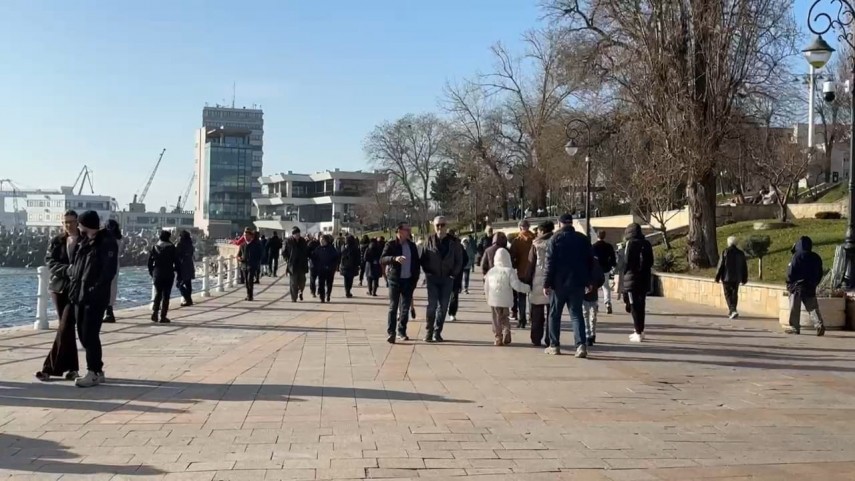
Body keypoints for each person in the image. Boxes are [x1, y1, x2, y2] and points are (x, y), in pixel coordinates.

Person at [67, 210, 118, 388]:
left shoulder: (106, 242)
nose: (78, 227)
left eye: (79, 224)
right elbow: (76, 264)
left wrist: (94, 288)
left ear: (86, 225)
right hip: (79, 294)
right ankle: (98, 369)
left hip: (94, 296)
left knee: (90, 333)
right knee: (83, 334)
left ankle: (93, 371)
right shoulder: (84, 241)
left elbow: (108, 271)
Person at [36, 210, 81, 382]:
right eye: (65, 222)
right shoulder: (57, 241)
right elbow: (50, 261)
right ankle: (73, 369)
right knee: (66, 328)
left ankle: (49, 368)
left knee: (65, 325)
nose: (68, 225)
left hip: (77, 289)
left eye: (71, 221)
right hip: (59, 288)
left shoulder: (85, 240)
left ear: (77, 222)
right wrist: (67, 270)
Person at [543, 214, 594, 358]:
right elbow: (590, 261)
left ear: (559, 223)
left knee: (554, 314)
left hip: (558, 284)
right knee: (576, 315)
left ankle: (554, 345)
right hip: (577, 283)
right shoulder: (583, 239)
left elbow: (550, 263)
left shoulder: (554, 239)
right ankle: (581, 345)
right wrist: (589, 281)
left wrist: (546, 283)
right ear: (571, 223)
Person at [420, 216, 463, 342]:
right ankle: (429, 331)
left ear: (446, 226)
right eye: (437, 225)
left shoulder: (454, 242)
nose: (440, 227)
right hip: (432, 278)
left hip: (447, 279)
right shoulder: (429, 240)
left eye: (442, 225)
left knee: (443, 306)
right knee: (432, 305)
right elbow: (423, 258)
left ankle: (437, 332)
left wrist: (453, 274)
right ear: (434, 226)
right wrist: (427, 272)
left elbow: (459, 260)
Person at [380, 222, 421, 343]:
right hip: (395, 280)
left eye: (409, 229)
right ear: (399, 231)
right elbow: (382, 259)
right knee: (393, 307)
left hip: (408, 280)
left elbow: (416, 263)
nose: (409, 231)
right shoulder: (391, 244)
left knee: (405, 308)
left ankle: (401, 331)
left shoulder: (412, 246)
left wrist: (415, 279)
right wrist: (394, 258)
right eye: (406, 229)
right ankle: (391, 333)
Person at [484, 249, 531, 346]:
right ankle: (506, 332)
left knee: (496, 319)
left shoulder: (491, 271)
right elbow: (516, 285)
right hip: (505, 300)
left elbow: (486, 287)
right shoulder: (510, 271)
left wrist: (487, 297)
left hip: (494, 300)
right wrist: (527, 288)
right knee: (505, 317)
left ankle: (498, 337)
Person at [785, 236, 826, 336]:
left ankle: (795, 328)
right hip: (810, 286)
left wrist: (789, 283)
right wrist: (815, 283)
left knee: (794, 308)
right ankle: (819, 325)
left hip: (797, 286)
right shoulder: (816, 257)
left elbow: (790, 272)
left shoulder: (796, 256)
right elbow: (820, 273)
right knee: (812, 308)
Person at [621, 223, 654, 343]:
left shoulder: (630, 244)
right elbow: (651, 261)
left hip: (632, 279)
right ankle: (641, 330)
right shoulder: (647, 244)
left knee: (634, 306)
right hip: (644, 278)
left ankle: (637, 331)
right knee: (642, 305)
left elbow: (626, 262)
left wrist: (623, 273)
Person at [526, 220, 554, 347]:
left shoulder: (536, 244)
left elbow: (530, 263)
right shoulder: (555, 242)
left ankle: (536, 338)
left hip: (537, 281)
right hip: (552, 281)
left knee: (537, 312)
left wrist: (527, 280)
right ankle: (550, 338)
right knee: (552, 313)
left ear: (542, 231)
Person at [147, 230, 180, 323]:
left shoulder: (155, 247)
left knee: (158, 294)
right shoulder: (172, 247)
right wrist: (177, 271)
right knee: (166, 295)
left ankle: (155, 313)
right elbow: (176, 261)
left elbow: (149, 262)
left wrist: (152, 272)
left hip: (157, 273)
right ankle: (163, 316)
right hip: (168, 273)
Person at [509, 220, 535, 328]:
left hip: (521, 272)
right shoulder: (534, 239)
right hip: (533, 272)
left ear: (520, 227)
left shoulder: (517, 241)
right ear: (529, 227)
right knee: (532, 297)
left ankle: (522, 320)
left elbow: (512, 257)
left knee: (521, 297)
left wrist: (515, 266)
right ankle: (532, 318)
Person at [714, 236, 748, 319]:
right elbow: (744, 266)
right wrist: (744, 278)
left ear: (728, 243)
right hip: (737, 278)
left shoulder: (725, 252)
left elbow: (721, 265)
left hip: (727, 277)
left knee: (728, 294)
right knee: (734, 294)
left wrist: (717, 277)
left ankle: (732, 310)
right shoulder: (740, 253)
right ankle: (733, 310)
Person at [592, 230, 617, 314]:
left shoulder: (593, 246)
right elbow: (613, 258)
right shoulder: (609, 246)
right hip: (606, 269)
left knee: (595, 287)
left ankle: (595, 304)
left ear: (597, 236)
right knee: (606, 286)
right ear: (604, 236)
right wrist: (613, 265)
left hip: (596, 269)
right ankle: (607, 303)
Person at [103, 219, 122, 323]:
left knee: (106, 287)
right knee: (113, 287)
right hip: (116, 264)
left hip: (107, 264)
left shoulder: (106, 239)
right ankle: (109, 310)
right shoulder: (119, 239)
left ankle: (108, 312)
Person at [583, 257, 606, 346]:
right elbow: (601, 278)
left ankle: (588, 335)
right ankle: (592, 334)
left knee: (586, 315)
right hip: (593, 293)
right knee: (593, 315)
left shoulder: (581, 260)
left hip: (584, 293)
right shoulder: (596, 262)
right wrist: (596, 285)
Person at [283, 227, 310, 302]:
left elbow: (306, 251)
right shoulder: (288, 241)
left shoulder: (303, 241)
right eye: (296, 234)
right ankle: (294, 298)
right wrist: (288, 260)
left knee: (302, 281)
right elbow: (284, 252)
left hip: (302, 265)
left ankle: (300, 291)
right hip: (293, 265)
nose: (298, 235)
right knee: (293, 283)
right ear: (293, 234)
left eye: (298, 234)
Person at [447, 232, 469, 322]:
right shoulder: (459, 246)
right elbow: (466, 259)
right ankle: (452, 313)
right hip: (456, 274)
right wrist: (460, 268)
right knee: (454, 295)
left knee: (449, 294)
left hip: (448, 275)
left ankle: (449, 312)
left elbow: (465, 259)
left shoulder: (446, 245)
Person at [311, 234, 339, 303]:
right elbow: (314, 258)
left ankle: (328, 294)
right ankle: (322, 297)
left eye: (323, 240)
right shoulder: (318, 249)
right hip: (321, 269)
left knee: (329, 283)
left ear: (326, 241)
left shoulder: (331, 249)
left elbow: (336, 258)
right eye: (320, 240)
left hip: (329, 269)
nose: (321, 241)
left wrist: (333, 267)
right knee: (321, 284)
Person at [237, 228, 262, 301]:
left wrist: (256, 262)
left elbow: (260, 255)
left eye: (247, 235)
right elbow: (238, 255)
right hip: (244, 265)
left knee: (249, 279)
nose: (245, 237)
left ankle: (250, 295)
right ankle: (248, 294)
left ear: (251, 236)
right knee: (246, 281)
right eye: (244, 235)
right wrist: (239, 258)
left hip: (252, 265)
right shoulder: (242, 245)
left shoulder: (256, 244)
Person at [175, 230, 195, 307]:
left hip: (183, 266)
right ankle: (189, 300)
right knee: (188, 284)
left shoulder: (180, 244)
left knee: (179, 284)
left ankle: (188, 299)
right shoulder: (190, 244)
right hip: (189, 264)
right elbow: (191, 253)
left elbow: (176, 255)